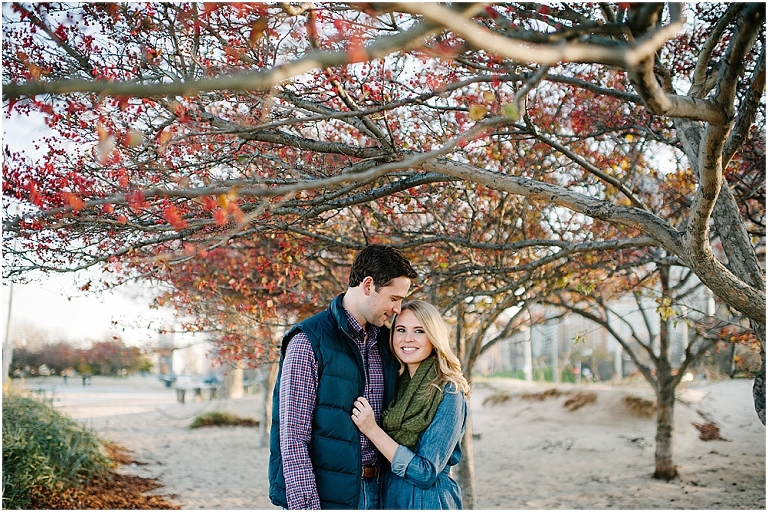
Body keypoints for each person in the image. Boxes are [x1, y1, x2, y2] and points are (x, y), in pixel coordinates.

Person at [268, 244, 418, 510]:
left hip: (381, 493)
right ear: (369, 285)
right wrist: (306, 507)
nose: (398, 309)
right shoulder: (308, 341)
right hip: (328, 498)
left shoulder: (387, 342)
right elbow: (292, 437)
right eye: (394, 298)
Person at [351, 300, 470, 510]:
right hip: (390, 497)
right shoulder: (393, 386)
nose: (408, 339)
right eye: (401, 330)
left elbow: (425, 472)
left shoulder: (449, 390)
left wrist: (371, 429)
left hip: (429, 501)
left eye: (419, 331)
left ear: (434, 338)